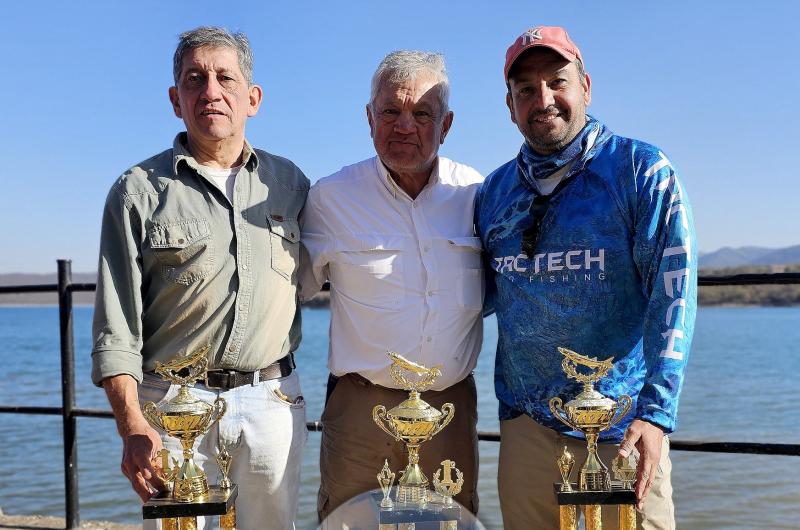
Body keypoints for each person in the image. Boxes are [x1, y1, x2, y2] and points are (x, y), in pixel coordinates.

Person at [475, 26, 696, 530]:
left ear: (586, 87)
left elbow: (675, 295)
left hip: (620, 428)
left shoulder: (641, 172)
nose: (544, 99)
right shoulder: (493, 193)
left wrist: (657, 414)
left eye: (558, 82)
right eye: (526, 90)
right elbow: (473, 297)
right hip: (526, 428)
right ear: (510, 106)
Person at [91, 26, 309, 530]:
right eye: (195, 79)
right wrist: (132, 427)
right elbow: (115, 327)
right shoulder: (137, 192)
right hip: (169, 409)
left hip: (270, 402)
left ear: (252, 98)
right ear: (176, 99)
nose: (211, 91)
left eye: (225, 78)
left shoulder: (292, 184)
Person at [300, 50, 484, 521]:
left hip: (449, 413)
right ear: (369, 117)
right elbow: (286, 290)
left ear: (446, 125)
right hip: (363, 415)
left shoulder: (479, 195)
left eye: (422, 113)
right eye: (390, 111)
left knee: (451, 523)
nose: (405, 125)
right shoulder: (329, 198)